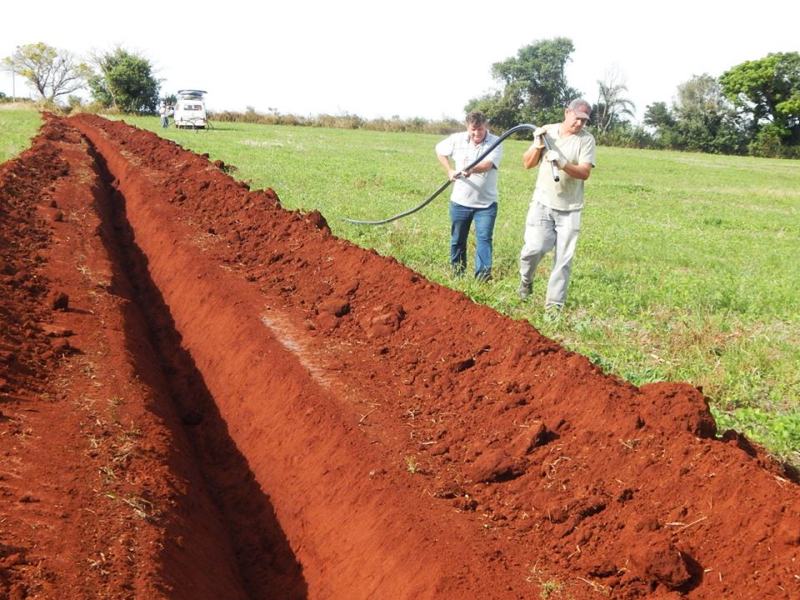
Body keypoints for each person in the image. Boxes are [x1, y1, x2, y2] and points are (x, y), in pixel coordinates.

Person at [517, 98, 597, 312]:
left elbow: (585, 172)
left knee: (563, 260)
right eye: (577, 118)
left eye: (584, 120)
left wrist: (562, 164)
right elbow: (527, 164)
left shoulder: (586, 140)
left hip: (570, 208)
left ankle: (554, 307)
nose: (580, 124)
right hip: (543, 203)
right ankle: (526, 280)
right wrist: (537, 145)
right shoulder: (547, 132)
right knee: (533, 249)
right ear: (566, 113)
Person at [435, 110, 503, 281]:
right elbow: (440, 150)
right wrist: (449, 170)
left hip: (486, 204)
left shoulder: (495, 142)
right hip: (460, 202)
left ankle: (482, 279)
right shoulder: (457, 139)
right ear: (468, 127)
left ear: (485, 126)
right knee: (458, 239)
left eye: (480, 129)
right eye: (473, 130)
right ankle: (458, 274)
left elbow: (489, 164)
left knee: (484, 240)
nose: (476, 133)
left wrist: (472, 169)